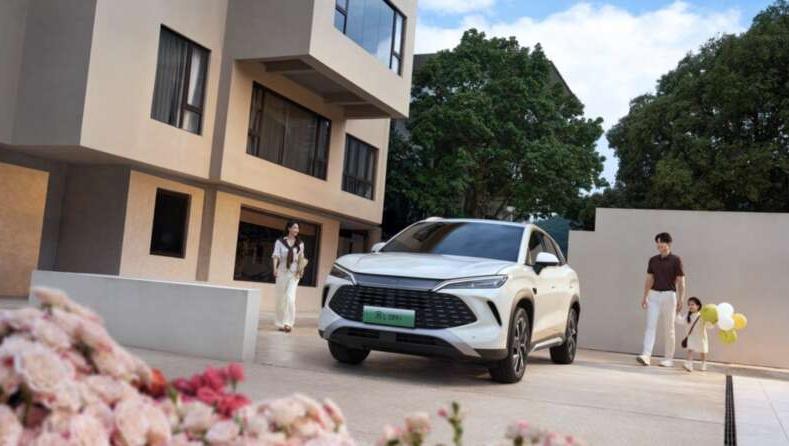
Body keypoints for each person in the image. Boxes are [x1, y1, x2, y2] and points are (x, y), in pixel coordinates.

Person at [636, 232, 686, 367]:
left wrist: (681, 299)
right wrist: (645, 296)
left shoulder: (676, 260)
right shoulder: (653, 260)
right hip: (653, 296)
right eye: (657, 243)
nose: (659, 246)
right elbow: (649, 279)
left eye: (661, 243)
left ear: (668, 243)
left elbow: (681, 281)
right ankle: (646, 355)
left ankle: (668, 358)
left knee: (669, 328)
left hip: (669, 296)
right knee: (650, 326)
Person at [272, 220, 306, 333]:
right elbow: (276, 256)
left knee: (290, 297)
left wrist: (301, 270)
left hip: (294, 273)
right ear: (289, 228)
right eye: (294, 227)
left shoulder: (300, 243)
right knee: (281, 298)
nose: (297, 230)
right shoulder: (280, 242)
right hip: (282, 271)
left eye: (298, 228)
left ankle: (289, 323)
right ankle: (280, 323)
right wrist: (274, 269)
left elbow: (301, 258)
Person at [676, 296, 709, 372]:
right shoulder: (688, 316)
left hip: (701, 336)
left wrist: (712, 321)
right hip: (691, 336)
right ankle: (689, 365)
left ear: (698, 306)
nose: (690, 306)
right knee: (690, 349)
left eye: (692, 304)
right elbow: (680, 321)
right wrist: (677, 313)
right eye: (689, 304)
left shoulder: (702, 316)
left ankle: (703, 364)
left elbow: (708, 325)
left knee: (703, 351)